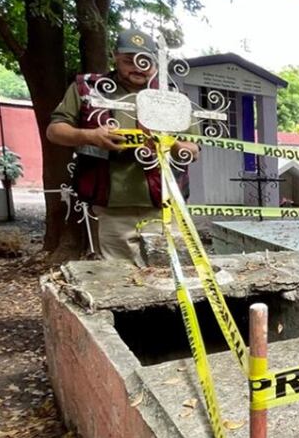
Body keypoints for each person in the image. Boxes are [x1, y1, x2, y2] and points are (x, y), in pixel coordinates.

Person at [46, 28, 199, 266]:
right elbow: (55, 130)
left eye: (146, 62)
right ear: (114, 56)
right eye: (129, 61)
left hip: (164, 203)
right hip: (113, 204)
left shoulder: (171, 97)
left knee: (171, 272)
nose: (139, 68)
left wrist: (172, 144)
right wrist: (91, 135)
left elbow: (192, 148)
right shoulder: (89, 89)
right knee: (121, 275)